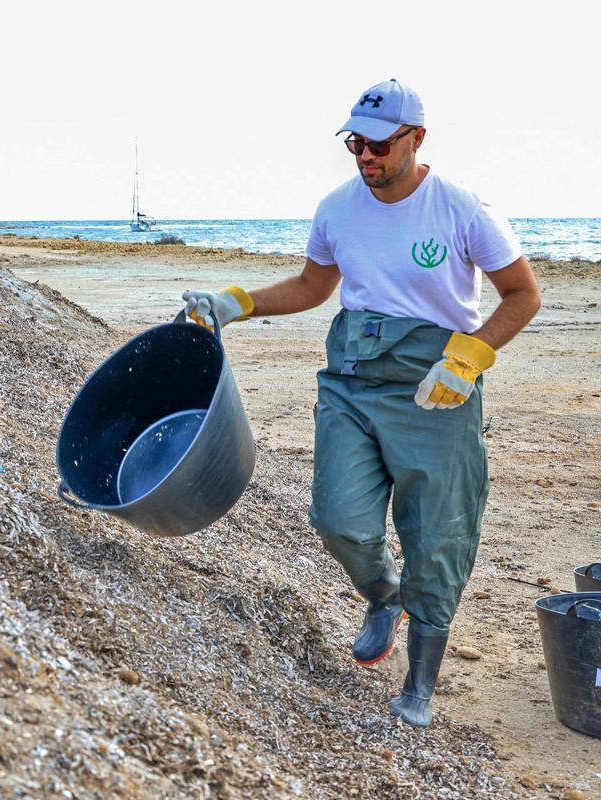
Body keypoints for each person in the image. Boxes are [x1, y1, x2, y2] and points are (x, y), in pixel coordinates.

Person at [181, 78, 540, 727]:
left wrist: (469, 358)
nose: (364, 157)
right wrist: (238, 302)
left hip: (436, 387)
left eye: (377, 144)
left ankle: (421, 683)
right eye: (354, 144)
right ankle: (383, 595)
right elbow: (314, 284)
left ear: (416, 138)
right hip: (350, 377)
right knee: (338, 518)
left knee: (437, 533)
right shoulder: (337, 208)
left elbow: (522, 294)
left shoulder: (462, 209)